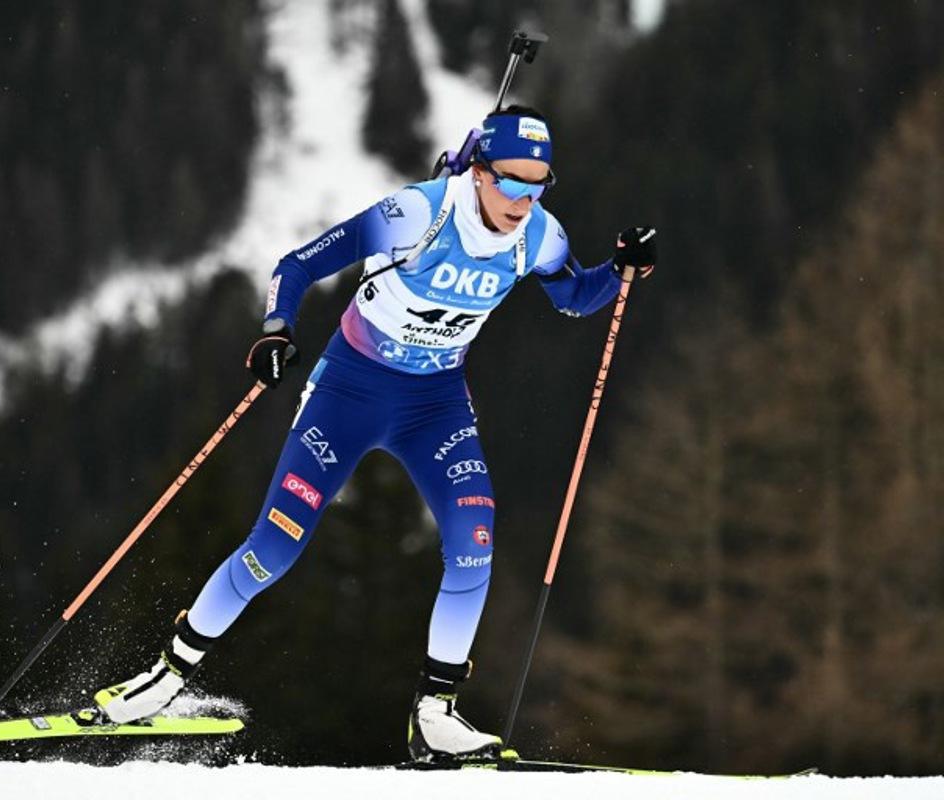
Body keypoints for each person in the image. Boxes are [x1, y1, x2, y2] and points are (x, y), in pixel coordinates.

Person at [94, 105, 657, 762]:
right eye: (511, 183)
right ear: (479, 172)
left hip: (435, 405)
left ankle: (435, 714)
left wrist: (622, 269)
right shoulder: (418, 214)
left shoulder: (541, 236)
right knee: (274, 547)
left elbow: (574, 297)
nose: (523, 202)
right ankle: (166, 677)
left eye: (539, 187)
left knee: (473, 545)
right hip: (350, 392)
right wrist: (276, 331)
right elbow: (298, 264)